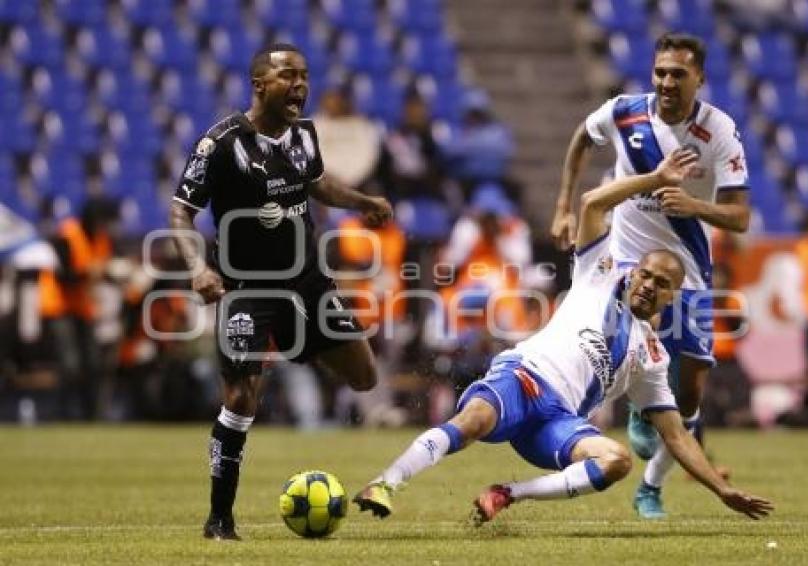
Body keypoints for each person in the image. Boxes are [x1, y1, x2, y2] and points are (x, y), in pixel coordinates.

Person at [352, 149, 772, 524]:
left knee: (617, 461)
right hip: (524, 378)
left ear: (672, 295)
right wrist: (655, 179)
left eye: (661, 283)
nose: (648, 284)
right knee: (473, 421)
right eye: (645, 273)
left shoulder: (653, 357)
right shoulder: (600, 273)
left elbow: (676, 435)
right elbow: (592, 202)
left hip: (558, 422)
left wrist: (721, 489)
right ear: (633, 271)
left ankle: (507, 493)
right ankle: (385, 483)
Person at [169, 43, 393, 541]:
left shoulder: (304, 135)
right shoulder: (220, 144)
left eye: (304, 76)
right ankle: (219, 520)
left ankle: (293, 345)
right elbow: (182, 210)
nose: (300, 85)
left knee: (363, 375)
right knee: (241, 397)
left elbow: (317, 183)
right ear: (259, 85)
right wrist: (197, 268)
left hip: (307, 283)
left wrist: (361, 202)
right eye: (288, 75)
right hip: (248, 287)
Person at [549, 32, 751, 518]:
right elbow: (581, 138)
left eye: (677, 74)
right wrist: (564, 205)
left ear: (699, 78)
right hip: (626, 260)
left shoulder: (718, 131)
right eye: (660, 72)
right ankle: (586, 425)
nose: (665, 82)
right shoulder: (624, 111)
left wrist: (693, 205)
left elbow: (740, 217)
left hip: (687, 268)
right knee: (615, 347)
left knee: (692, 392)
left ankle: (651, 484)